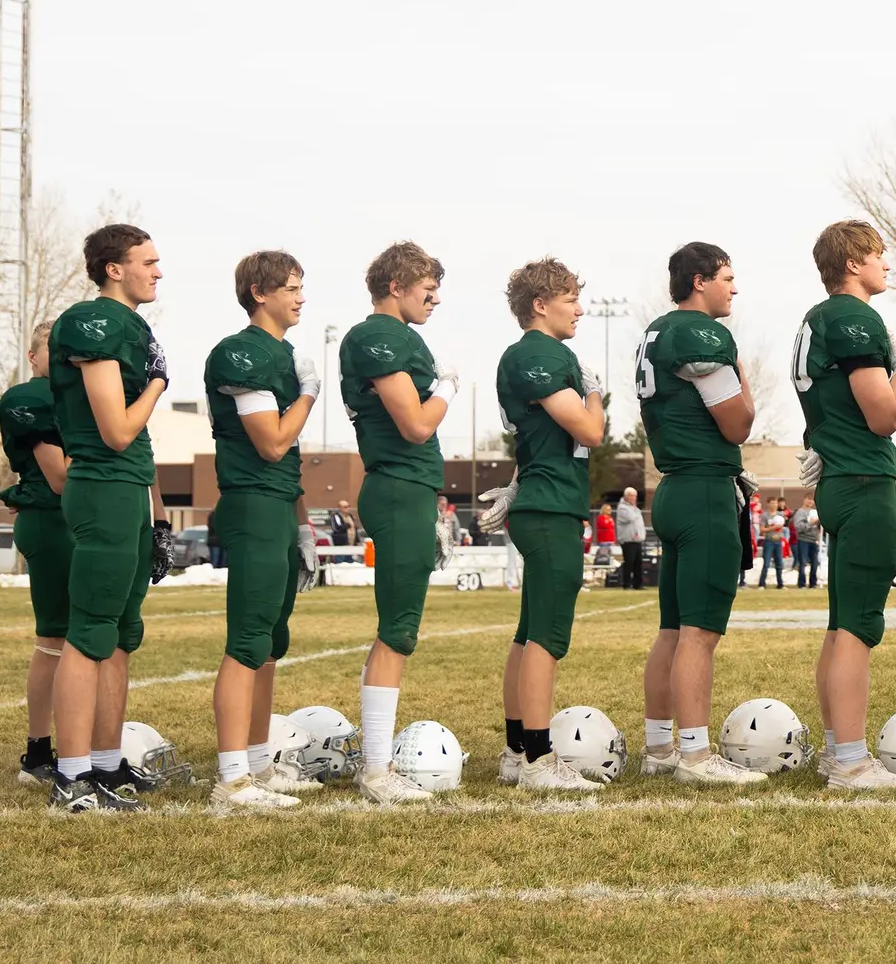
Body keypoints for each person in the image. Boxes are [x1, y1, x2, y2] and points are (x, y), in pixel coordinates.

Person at [792, 220, 896, 791]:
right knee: (858, 629)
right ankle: (849, 759)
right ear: (852, 263)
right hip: (863, 478)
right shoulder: (852, 317)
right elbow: (885, 415)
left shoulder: (815, 319)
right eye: (878, 254)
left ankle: (834, 749)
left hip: (838, 479)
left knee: (841, 624)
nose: (886, 264)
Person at [45, 223, 169, 813]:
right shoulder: (92, 322)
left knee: (120, 635)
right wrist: (158, 384)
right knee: (90, 631)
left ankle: (104, 763)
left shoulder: (132, 325)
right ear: (113, 268)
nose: (158, 271)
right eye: (147, 261)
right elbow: (119, 429)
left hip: (128, 489)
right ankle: (70, 777)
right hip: (102, 482)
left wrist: (159, 515)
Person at [201, 251, 326, 812]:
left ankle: (256, 765)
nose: (300, 297)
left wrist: (304, 527)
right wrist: (307, 395)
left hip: (277, 504)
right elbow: (272, 442)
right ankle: (230, 781)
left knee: (272, 643)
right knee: (248, 641)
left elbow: (289, 460)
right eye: (292, 288)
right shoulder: (241, 352)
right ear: (259, 292)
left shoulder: (282, 352)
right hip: (251, 504)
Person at [638, 242, 763, 786]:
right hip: (705, 489)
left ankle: (659, 746)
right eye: (727, 278)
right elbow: (739, 425)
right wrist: (741, 371)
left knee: (671, 629)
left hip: (671, 488)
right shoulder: (702, 334)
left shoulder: (655, 331)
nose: (734, 288)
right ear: (698, 280)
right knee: (699, 634)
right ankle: (694, 754)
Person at [339, 241, 458, 806]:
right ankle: (378, 768)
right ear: (395, 286)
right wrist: (448, 391)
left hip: (405, 488)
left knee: (397, 628)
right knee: (398, 630)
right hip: (396, 485)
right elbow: (413, 424)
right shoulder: (379, 336)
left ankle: (375, 759)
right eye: (425, 287)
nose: (434, 298)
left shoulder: (395, 337)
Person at [487, 258, 607, 794]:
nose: (579, 308)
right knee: (547, 639)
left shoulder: (539, 355)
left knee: (528, 634)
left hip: (541, 498)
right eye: (569, 298)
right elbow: (589, 430)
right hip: (550, 504)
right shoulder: (539, 352)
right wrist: (596, 395)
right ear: (540, 304)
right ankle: (537, 756)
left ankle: (517, 750)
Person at [0, 319, 71, 788]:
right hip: (52, 518)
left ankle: (80, 745)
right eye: (53, 351)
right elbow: (61, 478)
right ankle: (39, 750)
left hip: (77, 519)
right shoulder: (32, 398)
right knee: (55, 640)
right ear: (33, 356)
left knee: (84, 641)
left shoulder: (75, 397)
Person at [616, 487, 646, 590]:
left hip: (637, 540)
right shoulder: (622, 508)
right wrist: (634, 508)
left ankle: (638, 584)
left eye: (635, 496)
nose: (634, 498)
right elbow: (630, 518)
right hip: (628, 540)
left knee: (638, 563)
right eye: (632, 496)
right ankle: (626, 583)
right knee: (629, 562)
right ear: (626, 496)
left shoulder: (635, 508)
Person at [791, 500, 821, 589]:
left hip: (814, 540)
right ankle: (802, 583)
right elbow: (798, 527)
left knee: (815, 563)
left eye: (811, 500)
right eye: (808, 500)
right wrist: (811, 523)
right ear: (804, 500)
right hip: (803, 540)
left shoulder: (815, 512)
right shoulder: (800, 512)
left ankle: (813, 583)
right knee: (803, 563)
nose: (810, 502)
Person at [758, 501, 786, 587]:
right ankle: (762, 584)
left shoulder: (780, 515)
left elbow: (782, 527)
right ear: (768, 504)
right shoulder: (765, 515)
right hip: (769, 541)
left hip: (778, 540)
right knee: (766, 563)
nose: (774, 505)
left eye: (775, 503)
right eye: (772, 503)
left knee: (779, 563)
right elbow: (762, 529)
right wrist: (773, 527)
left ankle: (780, 584)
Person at [592, 503, 617, 569]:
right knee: (603, 555)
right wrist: (608, 523)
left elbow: (612, 528)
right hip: (603, 540)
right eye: (608, 509)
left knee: (610, 555)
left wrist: (614, 540)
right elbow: (604, 525)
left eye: (610, 509)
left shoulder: (610, 518)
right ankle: (602, 567)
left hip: (611, 540)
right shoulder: (600, 518)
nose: (609, 510)